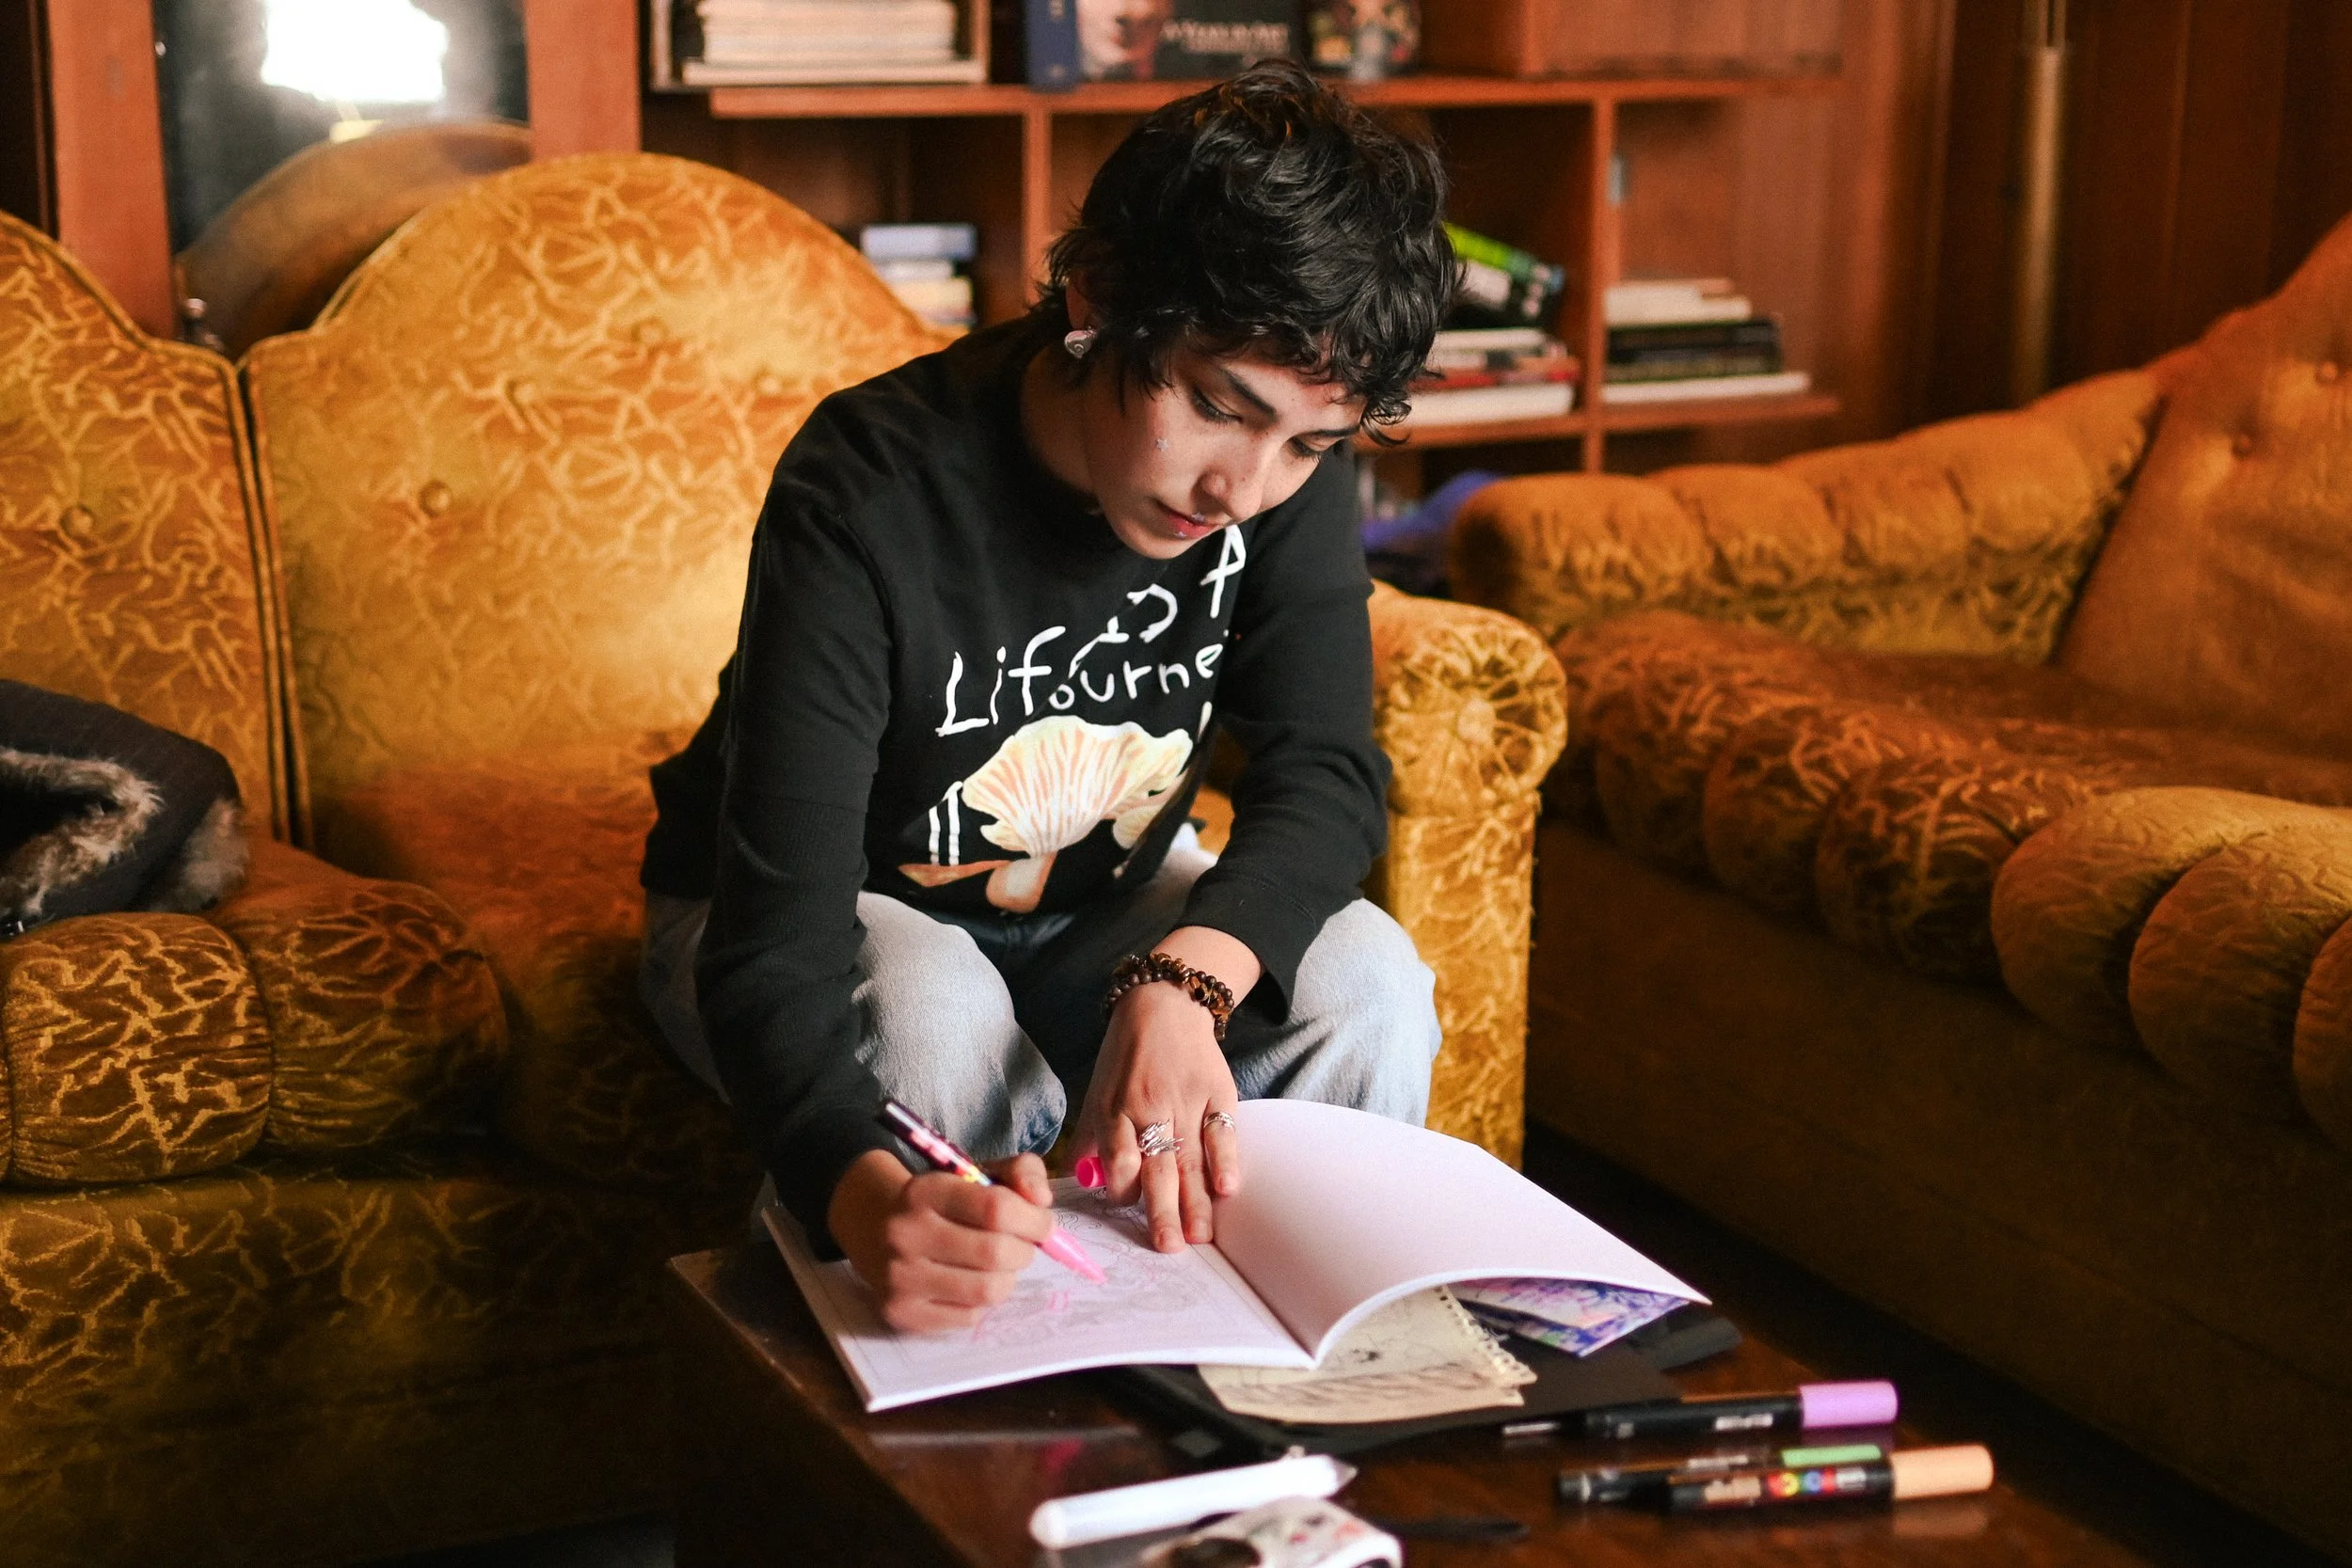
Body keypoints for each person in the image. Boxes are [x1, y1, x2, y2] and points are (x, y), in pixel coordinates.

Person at [637, 61, 1454, 1333]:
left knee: (1369, 980)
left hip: (1093, 908)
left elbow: (1328, 775)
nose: (1244, 490)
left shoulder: (1270, 472)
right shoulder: (871, 486)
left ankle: (1272, 1355)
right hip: (791, 916)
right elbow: (776, 942)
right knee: (934, 1007)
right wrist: (860, 1200)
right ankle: (965, 1393)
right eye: (1216, 407)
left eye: (1309, 443)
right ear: (1099, 298)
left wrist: (1185, 980)